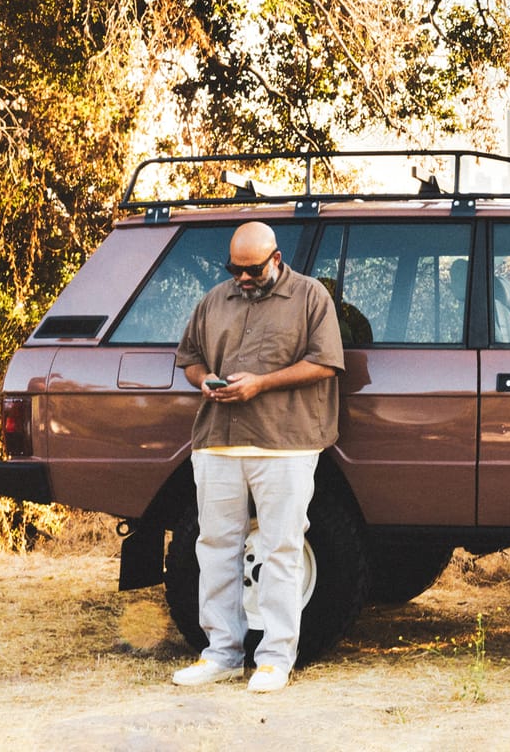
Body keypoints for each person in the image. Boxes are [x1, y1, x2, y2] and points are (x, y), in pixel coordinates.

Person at [171, 221, 344, 693]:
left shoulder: (311, 298)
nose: (243, 279)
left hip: (285, 443)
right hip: (217, 440)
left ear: (276, 258)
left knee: (282, 548)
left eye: (252, 270)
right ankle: (221, 653)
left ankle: (274, 659)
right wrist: (204, 379)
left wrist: (261, 383)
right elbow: (189, 359)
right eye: (235, 270)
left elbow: (327, 362)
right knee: (215, 546)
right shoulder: (214, 300)